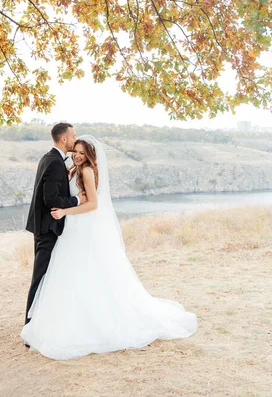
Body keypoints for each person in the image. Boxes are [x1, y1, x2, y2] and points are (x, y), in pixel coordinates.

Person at [21, 135, 197, 360]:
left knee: (85, 274)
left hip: (81, 228)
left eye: (83, 153)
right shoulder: (74, 169)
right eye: (76, 150)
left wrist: (65, 211)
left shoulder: (86, 171)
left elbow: (93, 204)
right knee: (72, 275)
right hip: (73, 230)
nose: (77, 155)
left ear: (90, 156)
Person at [24, 122, 87, 327]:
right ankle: (30, 326)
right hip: (47, 228)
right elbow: (51, 199)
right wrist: (77, 199)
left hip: (42, 226)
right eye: (73, 135)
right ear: (64, 139)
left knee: (45, 276)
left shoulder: (49, 158)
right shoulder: (54, 162)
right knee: (40, 278)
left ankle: (39, 322)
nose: (75, 138)